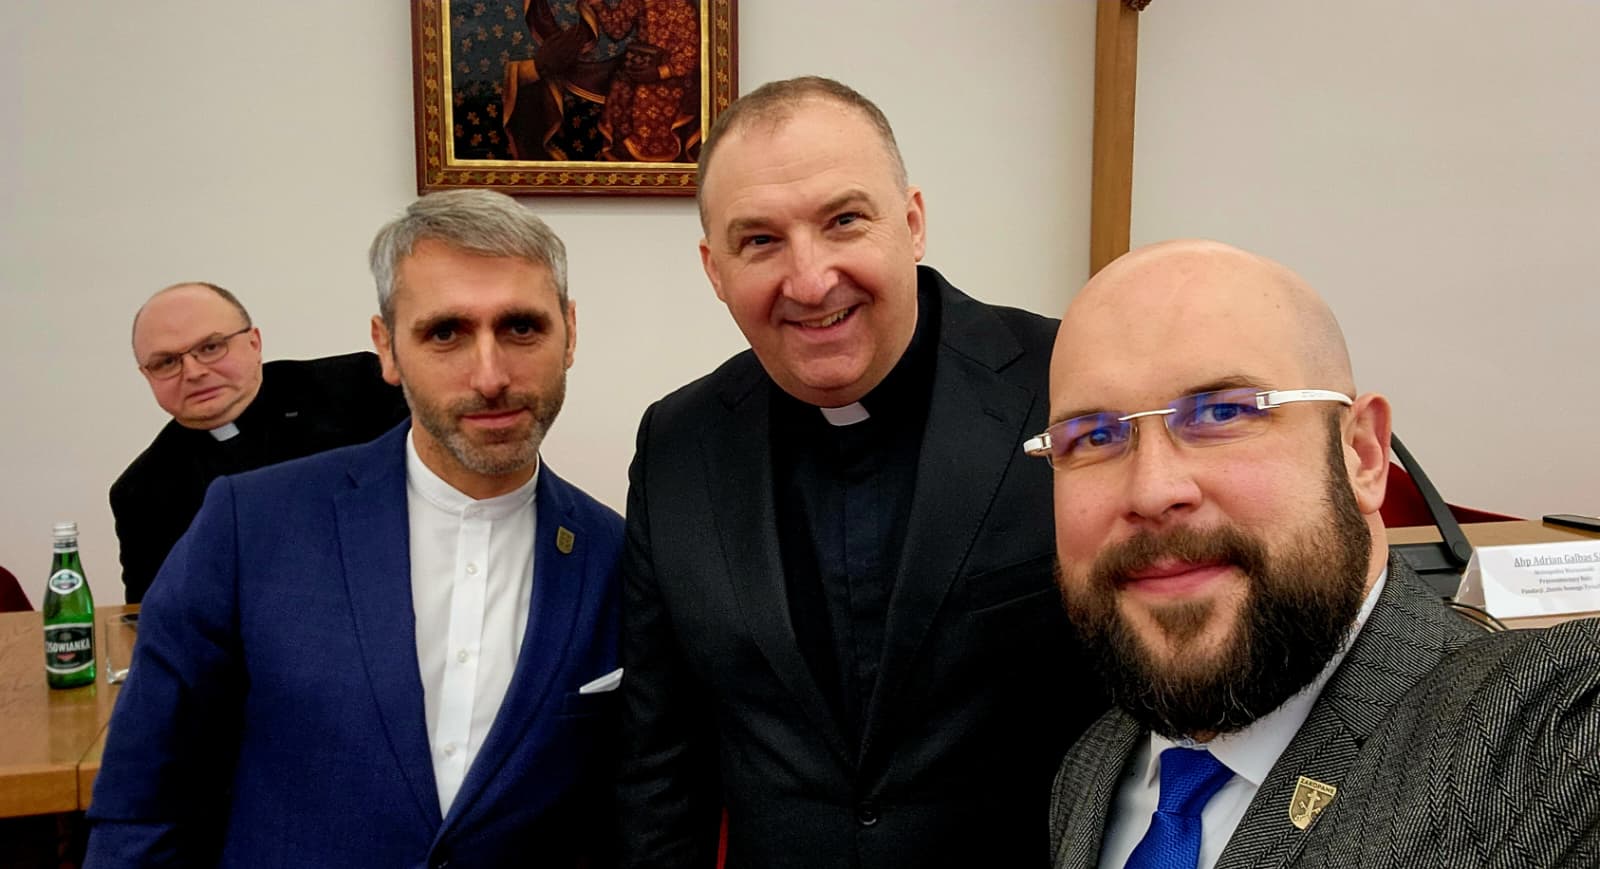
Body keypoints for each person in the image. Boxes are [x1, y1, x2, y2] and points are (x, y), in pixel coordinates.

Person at [616, 76, 1104, 869]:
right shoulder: (676, 444)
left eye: (844, 220)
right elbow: (659, 764)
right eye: (760, 241)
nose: (810, 281)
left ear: (911, 223)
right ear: (714, 269)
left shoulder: (1067, 384)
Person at [87, 191, 624, 867]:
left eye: (521, 327)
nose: (490, 376)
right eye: (445, 333)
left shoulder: (616, 556)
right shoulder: (247, 526)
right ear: (386, 348)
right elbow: (144, 802)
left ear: (569, 333)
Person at [1041, 240, 1600, 868]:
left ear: (1363, 454)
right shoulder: (1091, 769)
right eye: (1093, 436)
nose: (1151, 491)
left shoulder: (1547, 732)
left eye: (1223, 412)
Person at [112, 281, 408, 603]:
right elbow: (153, 616)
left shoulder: (363, 387)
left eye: (211, 347)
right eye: (167, 362)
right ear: (147, 375)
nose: (193, 372)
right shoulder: (141, 491)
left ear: (254, 342)